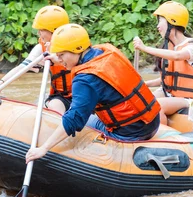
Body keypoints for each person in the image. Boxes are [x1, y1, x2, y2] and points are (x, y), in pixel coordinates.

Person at [25, 24, 161, 163]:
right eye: (57, 55)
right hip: (151, 122)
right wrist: (58, 57)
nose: (59, 60)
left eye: (61, 55)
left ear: (77, 50)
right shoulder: (105, 52)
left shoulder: (85, 79)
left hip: (130, 133)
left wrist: (44, 148)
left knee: (73, 123)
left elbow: (74, 119)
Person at [133, 1, 193, 124]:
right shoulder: (170, 47)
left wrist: (145, 48)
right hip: (172, 94)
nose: (158, 26)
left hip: (192, 99)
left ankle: (162, 138)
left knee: (155, 106)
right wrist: (142, 85)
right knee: (142, 103)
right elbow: (165, 79)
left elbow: (177, 56)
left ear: (172, 22)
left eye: (160, 21)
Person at [0, 6, 71, 113]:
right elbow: (22, 68)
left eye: (41, 30)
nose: (38, 33)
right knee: (54, 105)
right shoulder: (42, 48)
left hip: (81, 95)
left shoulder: (74, 45)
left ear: (54, 31)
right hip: (62, 97)